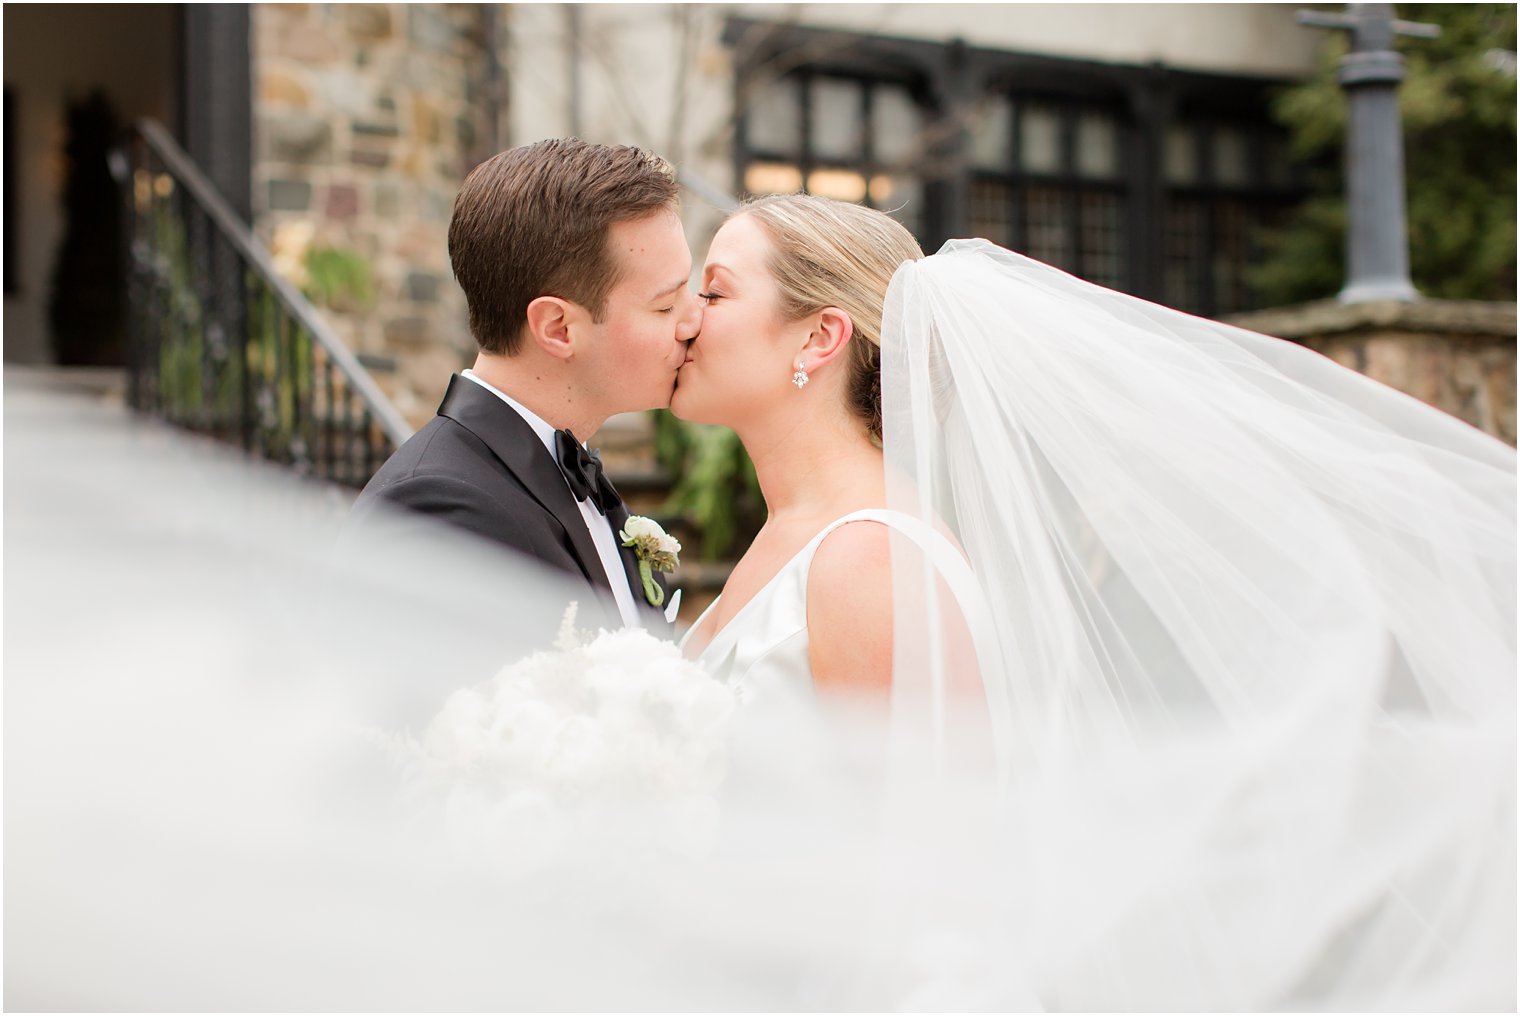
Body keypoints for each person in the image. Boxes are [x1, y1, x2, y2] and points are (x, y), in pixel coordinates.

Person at [669, 192, 1515, 1004]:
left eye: (714, 289)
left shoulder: (870, 557)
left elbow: (926, 883)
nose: (686, 317)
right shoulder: (800, 535)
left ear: (819, 337)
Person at [347, 139, 702, 633]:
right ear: (558, 328)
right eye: (665, 305)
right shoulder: (441, 511)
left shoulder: (560, 467)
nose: (694, 319)